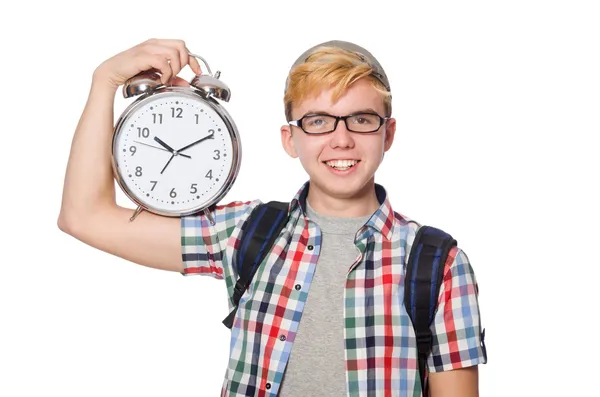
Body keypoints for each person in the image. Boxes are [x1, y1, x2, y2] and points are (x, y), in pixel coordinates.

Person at [58, 38, 487, 396]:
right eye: (318, 121)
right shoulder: (246, 233)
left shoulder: (439, 264)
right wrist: (104, 82)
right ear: (291, 139)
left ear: (387, 133)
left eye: (361, 119)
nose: (341, 140)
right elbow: (84, 216)